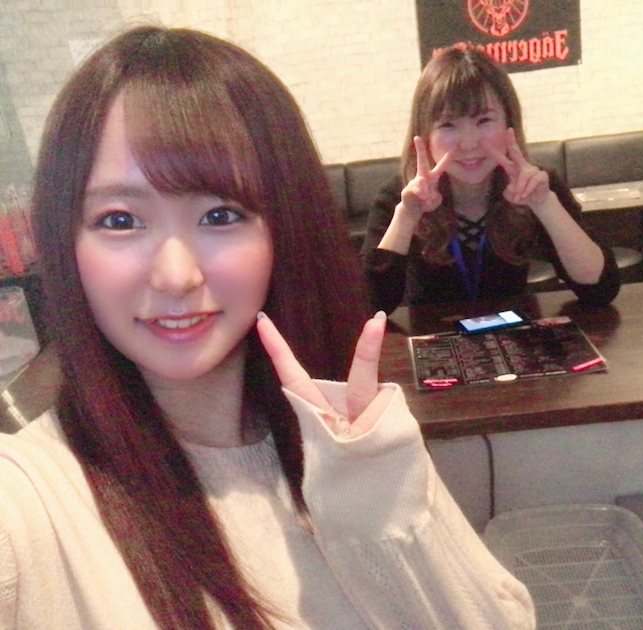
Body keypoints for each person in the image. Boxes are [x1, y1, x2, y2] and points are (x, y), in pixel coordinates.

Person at [0, 26, 535, 630]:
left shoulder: (348, 437)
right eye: (120, 220)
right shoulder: (27, 499)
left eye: (219, 214)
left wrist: (380, 507)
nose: (176, 276)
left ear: (284, 229)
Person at [361, 46, 621, 314]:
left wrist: (544, 204)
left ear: (509, 123)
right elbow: (371, 306)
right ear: (424, 133)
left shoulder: (536, 186)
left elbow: (600, 289)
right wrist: (407, 217)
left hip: (516, 333)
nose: (469, 143)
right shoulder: (399, 196)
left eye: (484, 120)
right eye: (448, 125)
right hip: (434, 335)